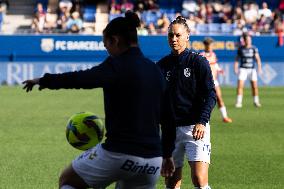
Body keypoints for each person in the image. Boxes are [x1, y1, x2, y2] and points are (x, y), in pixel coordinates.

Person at [23, 11, 175, 189]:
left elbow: (80, 79)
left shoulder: (116, 65)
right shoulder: (155, 71)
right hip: (152, 162)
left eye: (106, 45)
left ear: (115, 40)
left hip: (118, 153)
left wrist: (44, 80)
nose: (107, 50)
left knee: (68, 180)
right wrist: (167, 154)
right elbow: (169, 119)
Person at [157, 16, 216, 189]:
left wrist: (202, 121)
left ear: (187, 36)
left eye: (177, 35)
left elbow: (211, 94)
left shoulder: (198, 61)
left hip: (195, 128)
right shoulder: (161, 66)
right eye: (170, 36)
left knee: (199, 179)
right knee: (171, 182)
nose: (173, 39)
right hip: (170, 132)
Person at [200, 37, 232, 123]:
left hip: (214, 81)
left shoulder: (213, 54)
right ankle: (201, 118)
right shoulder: (201, 55)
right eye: (210, 45)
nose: (211, 47)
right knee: (204, 101)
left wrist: (219, 69)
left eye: (212, 45)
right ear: (206, 45)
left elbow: (215, 65)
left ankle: (225, 117)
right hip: (204, 82)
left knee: (219, 98)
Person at [234, 33, 262, 108]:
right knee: (240, 86)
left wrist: (259, 68)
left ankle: (256, 101)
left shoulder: (254, 48)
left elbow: (258, 59)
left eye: (249, 39)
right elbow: (237, 59)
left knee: (254, 86)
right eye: (247, 40)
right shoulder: (240, 48)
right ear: (244, 40)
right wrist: (235, 68)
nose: (248, 41)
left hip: (252, 69)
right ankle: (239, 102)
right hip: (243, 69)